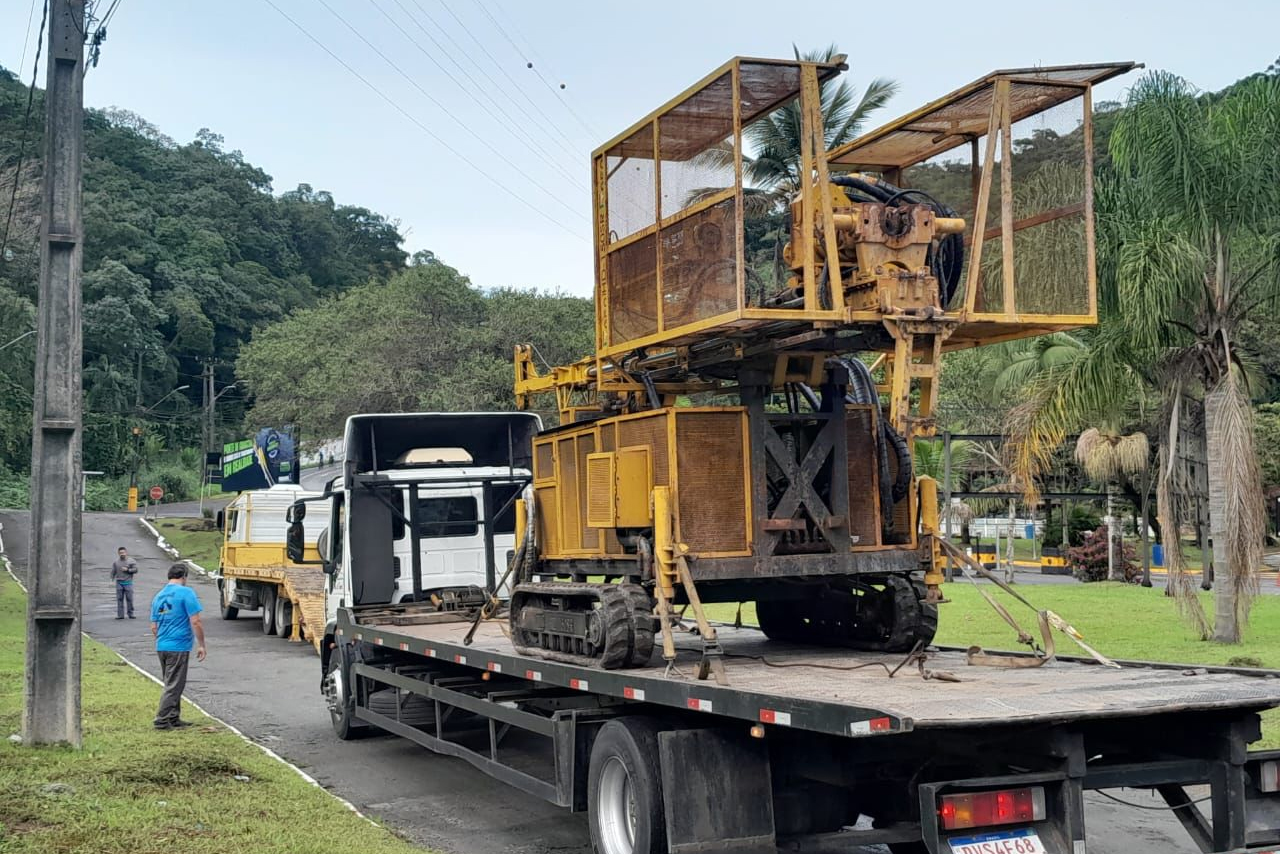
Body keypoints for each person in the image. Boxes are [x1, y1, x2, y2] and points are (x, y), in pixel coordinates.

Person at [149, 564, 206, 730]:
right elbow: (195, 621)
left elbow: (154, 626)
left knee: (171, 682)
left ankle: (174, 717)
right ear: (184, 576)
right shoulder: (186, 593)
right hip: (178, 645)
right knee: (174, 685)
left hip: (162, 645)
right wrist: (201, 644)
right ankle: (161, 720)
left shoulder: (158, 596)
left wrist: (163, 638)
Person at [110, 546, 138, 619]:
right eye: (120, 553)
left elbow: (136, 570)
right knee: (119, 599)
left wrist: (128, 570)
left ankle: (130, 614)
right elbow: (113, 571)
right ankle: (120, 615)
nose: (122, 554)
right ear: (118, 553)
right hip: (119, 583)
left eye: (123, 552)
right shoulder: (116, 562)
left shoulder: (131, 561)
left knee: (129, 599)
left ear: (126, 552)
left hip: (128, 583)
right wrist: (111, 578)